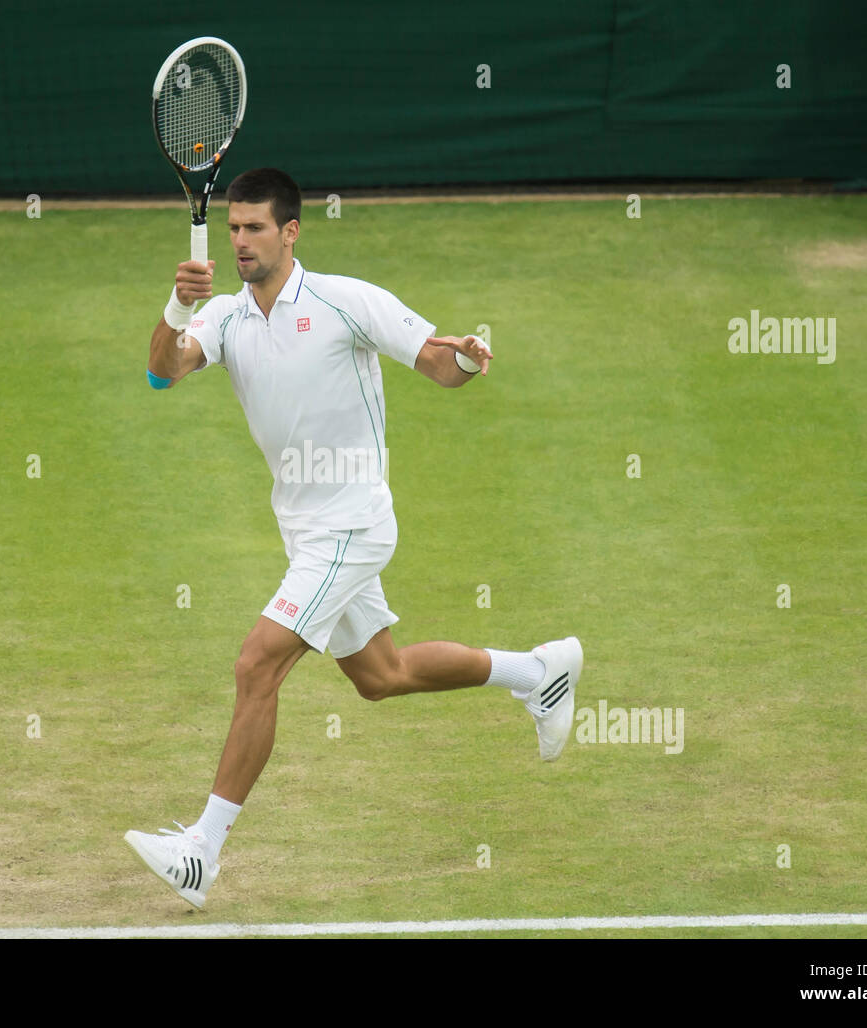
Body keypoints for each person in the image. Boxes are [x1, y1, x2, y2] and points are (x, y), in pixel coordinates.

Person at [125, 168, 583, 908]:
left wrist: (464, 355)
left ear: (291, 231)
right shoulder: (226, 317)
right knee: (381, 675)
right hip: (306, 532)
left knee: (256, 665)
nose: (240, 241)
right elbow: (161, 374)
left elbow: (437, 363)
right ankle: (537, 672)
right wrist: (178, 305)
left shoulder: (346, 300)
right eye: (233, 228)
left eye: (254, 228)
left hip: (354, 524)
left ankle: (201, 851)